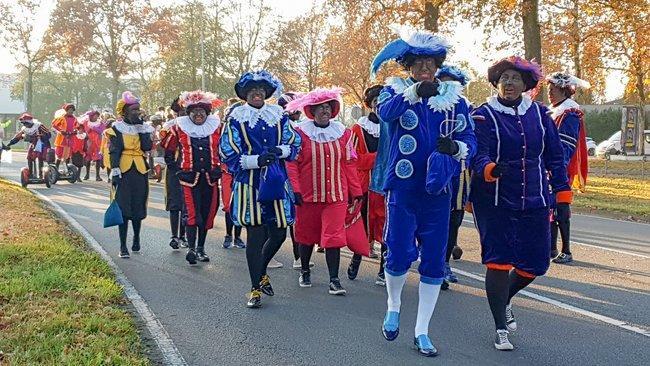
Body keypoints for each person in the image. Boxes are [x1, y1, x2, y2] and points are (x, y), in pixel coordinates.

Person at [370, 24, 476, 356]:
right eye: (419, 62)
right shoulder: (394, 90)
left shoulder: (454, 98)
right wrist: (415, 93)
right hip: (402, 188)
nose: (425, 68)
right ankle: (393, 305)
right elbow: (385, 113)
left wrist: (455, 147)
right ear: (409, 65)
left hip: (439, 190)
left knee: (434, 261)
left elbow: (471, 141)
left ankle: (422, 330)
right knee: (399, 253)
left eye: (431, 63)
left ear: (438, 64)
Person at [469, 56, 571, 350]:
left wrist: (562, 195)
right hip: (495, 200)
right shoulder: (484, 115)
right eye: (504, 79)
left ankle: (505, 300)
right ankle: (500, 326)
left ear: (526, 84)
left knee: (536, 264)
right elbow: (478, 153)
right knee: (499, 261)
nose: (510, 83)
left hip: (536, 198)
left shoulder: (539, 114)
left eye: (515, 78)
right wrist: (489, 168)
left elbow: (555, 156)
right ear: (496, 84)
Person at [219, 70, 301, 308]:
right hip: (249, 182)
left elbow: (294, 141)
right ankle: (255, 288)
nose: (257, 93)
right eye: (252, 90)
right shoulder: (236, 118)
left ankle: (261, 270)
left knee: (279, 232)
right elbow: (227, 150)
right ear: (245, 95)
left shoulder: (278, 115)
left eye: (261, 90)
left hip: (275, 178)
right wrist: (255, 160)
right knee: (255, 234)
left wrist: (280, 152)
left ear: (267, 93)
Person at [285, 87, 363, 296]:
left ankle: (334, 280)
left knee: (333, 237)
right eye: (320, 108)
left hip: (336, 195)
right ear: (312, 111)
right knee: (306, 235)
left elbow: (349, 163)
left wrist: (356, 191)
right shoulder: (301, 133)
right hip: (308, 195)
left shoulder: (343, 133)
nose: (324, 111)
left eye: (328, 107)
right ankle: (304, 270)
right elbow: (292, 163)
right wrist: (295, 190)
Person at [162, 91, 223, 265]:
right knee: (191, 215)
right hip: (188, 179)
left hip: (210, 178)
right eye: (194, 112)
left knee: (206, 214)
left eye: (201, 112)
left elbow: (224, 148)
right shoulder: (178, 128)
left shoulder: (217, 127)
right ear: (188, 114)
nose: (198, 115)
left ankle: (201, 249)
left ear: (207, 113)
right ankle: (191, 248)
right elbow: (168, 148)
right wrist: (176, 167)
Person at [102, 91, 154, 258]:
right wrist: (115, 171)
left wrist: (142, 128)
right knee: (123, 208)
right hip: (123, 170)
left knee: (138, 206)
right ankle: (123, 245)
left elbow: (146, 148)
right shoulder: (116, 128)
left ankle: (136, 238)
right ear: (124, 112)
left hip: (139, 169)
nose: (137, 112)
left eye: (138, 110)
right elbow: (114, 151)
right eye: (133, 110)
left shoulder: (143, 128)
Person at [435, 65, 473, 289]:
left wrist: (459, 147)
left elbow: (471, 141)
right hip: (433, 171)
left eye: (452, 83)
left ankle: (444, 263)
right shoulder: (429, 105)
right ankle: (433, 262)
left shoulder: (464, 108)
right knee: (434, 218)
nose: (446, 86)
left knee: (454, 220)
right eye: (443, 82)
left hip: (458, 171)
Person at [547, 72, 590, 264]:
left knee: (561, 207)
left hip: (561, 168)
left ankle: (566, 249)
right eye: (548, 89)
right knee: (550, 206)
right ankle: (551, 247)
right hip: (549, 166)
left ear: (563, 89)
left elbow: (567, 144)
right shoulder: (554, 110)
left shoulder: (570, 113)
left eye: (553, 89)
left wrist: (557, 167)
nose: (550, 93)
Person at [346, 85, 387, 284]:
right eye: (376, 102)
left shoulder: (393, 127)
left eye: (383, 102)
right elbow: (353, 159)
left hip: (386, 184)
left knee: (387, 226)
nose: (380, 105)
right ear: (370, 104)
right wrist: (378, 158)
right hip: (364, 185)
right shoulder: (358, 129)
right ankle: (356, 257)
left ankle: (383, 269)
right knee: (362, 225)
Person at [277, 92, 314, 270]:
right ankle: (268, 254)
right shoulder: (283, 125)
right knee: (282, 216)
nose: (298, 112)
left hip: (295, 175)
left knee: (294, 217)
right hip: (281, 175)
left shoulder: (299, 127)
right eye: (295, 109)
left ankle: (298, 255)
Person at [159, 97, 188, 250]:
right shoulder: (170, 127)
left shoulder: (196, 127)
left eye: (185, 111)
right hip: (175, 170)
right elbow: (167, 150)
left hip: (190, 170)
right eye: (180, 112)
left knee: (187, 204)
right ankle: (174, 236)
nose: (183, 115)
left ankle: (183, 235)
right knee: (175, 203)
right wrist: (175, 167)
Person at [220, 98, 246, 250]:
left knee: (241, 203)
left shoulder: (245, 128)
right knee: (229, 205)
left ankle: (237, 236)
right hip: (227, 172)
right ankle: (228, 235)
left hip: (242, 171)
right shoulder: (224, 130)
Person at [3, 113, 51, 178]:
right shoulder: (24, 129)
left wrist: (39, 136)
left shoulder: (39, 126)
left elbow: (48, 134)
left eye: (26, 123)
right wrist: (9, 144)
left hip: (42, 144)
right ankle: (31, 174)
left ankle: (41, 175)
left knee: (40, 158)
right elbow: (17, 137)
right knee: (30, 157)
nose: (25, 125)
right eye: (23, 123)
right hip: (33, 144)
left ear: (30, 122)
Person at [81, 110, 106, 181]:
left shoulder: (100, 123)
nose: (96, 117)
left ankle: (97, 176)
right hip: (89, 142)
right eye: (95, 116)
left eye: (97, 116)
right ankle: (87, 174)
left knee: (98, 159)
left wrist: (94, 128)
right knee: (88, 159)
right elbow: (84, 130)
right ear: (91, 116)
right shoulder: (86, 123)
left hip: (98, 143)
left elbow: (102, 131)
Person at [52, 103, 78, 170]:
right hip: (62, 138)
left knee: (68, 155)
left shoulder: (75, 119)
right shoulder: (61, 118)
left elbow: (77, 126)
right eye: (69, 109)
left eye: (72, 110)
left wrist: (75, 131)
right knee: (59, 155)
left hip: (70, 138)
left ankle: (67, 169)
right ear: (66, 110)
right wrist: (61, 130)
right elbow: (54, 124)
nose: (71, 111)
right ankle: (56, 169)